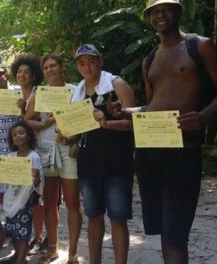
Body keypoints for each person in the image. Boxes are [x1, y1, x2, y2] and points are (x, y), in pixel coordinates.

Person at [114, 1, 217, 263]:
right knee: (166, 233)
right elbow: (152, 106)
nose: (160, 15)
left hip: (183, 150)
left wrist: (203, 118)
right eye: (154, 11)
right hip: (149, 153)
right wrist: (127, 111)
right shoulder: (149, 60)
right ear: (149, 18)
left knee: (176, 234)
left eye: (166, 9)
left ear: (177, 13)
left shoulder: (199, 46)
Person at [57, 44, 136, 264]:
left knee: (118, 218)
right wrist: (67, 137)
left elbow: (134, 123)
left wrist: (107, 123)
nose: (87, 67)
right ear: (77, 66)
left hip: (117, 161)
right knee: (94, 215)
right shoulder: (78, 93)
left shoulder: (116, 84)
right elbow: (78, 131)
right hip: (89, 162)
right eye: (82, 63)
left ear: (100, 61)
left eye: (91, 61)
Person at [24, 53, 82, 263]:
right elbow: (27, 120)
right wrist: (45, 124)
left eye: (53, 66)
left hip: (68, 151)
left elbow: (83, 120)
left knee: (73, 202)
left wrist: (71, 135)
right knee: (49, 202)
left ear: (61, 67)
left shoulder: (75, 90)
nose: (50, 70)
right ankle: (52, 246)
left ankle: (73, 252)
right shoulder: (39, 92)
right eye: (46, 67)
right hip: (45, 150)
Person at [10, 53, 47, 253]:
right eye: (19, 71)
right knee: (19, 192)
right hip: (18, 150)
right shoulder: (12, 95)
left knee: (37, 195)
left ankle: (39, 236)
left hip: (39, 149)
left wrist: (22, 109)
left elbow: (26, 120)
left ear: (33, 76)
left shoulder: (37, 93)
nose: (22, 75)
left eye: (26, 72)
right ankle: (21, 233)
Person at [0, 121, 43, 264]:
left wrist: (35, 179)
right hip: (11, 199)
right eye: (14, 135)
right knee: (14, 231)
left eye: (21, 133)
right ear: (11, 139)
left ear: (29, 136)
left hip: (25, 201)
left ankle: (20, 260)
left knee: (23, 232)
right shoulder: (10, 157)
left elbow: (38, 184)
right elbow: (3, 182)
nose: (18, 136)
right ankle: (19, 257)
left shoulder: (34, 157)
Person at [0, 63, 23, 156]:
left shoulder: (19, 91)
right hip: (1, 146)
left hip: (19, 144)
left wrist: (23, 108)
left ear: (7, 75)